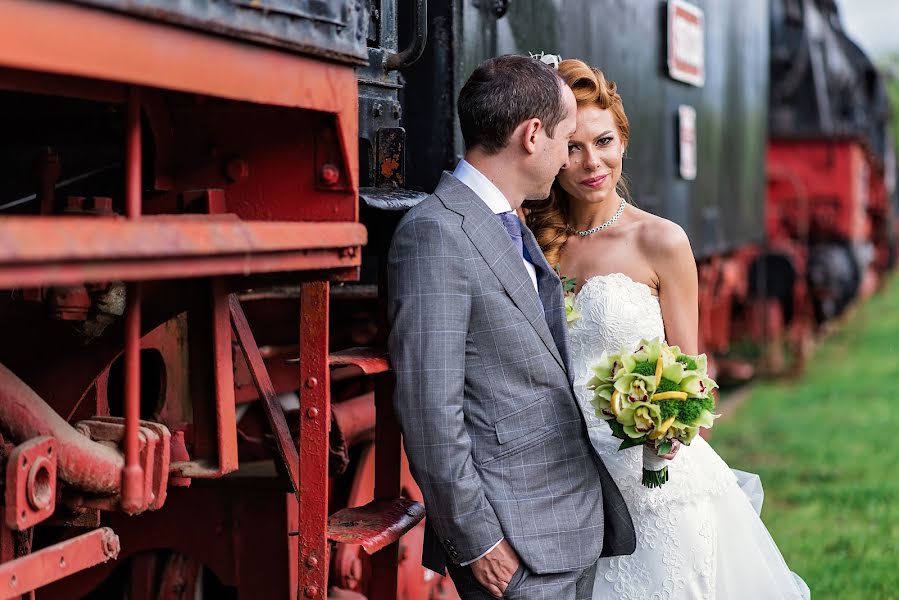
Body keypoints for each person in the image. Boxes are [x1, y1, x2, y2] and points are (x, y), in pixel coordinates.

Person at [526, 58, 810, 600]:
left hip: (653, 485)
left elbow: (696, 389)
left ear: (624, 139)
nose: (592, 162)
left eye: (604, 141)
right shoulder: (537, 245)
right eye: (573, 147)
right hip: (564, 482)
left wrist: (658, 431)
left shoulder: (662, 243)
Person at [387, 54, 637, 599]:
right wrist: (477, 542)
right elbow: (431, 410)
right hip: (515, 549)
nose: (567, 158)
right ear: (531, 136)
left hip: (569, 526)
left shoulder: (510, 220)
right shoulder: (435, 234)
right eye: (565, 140)